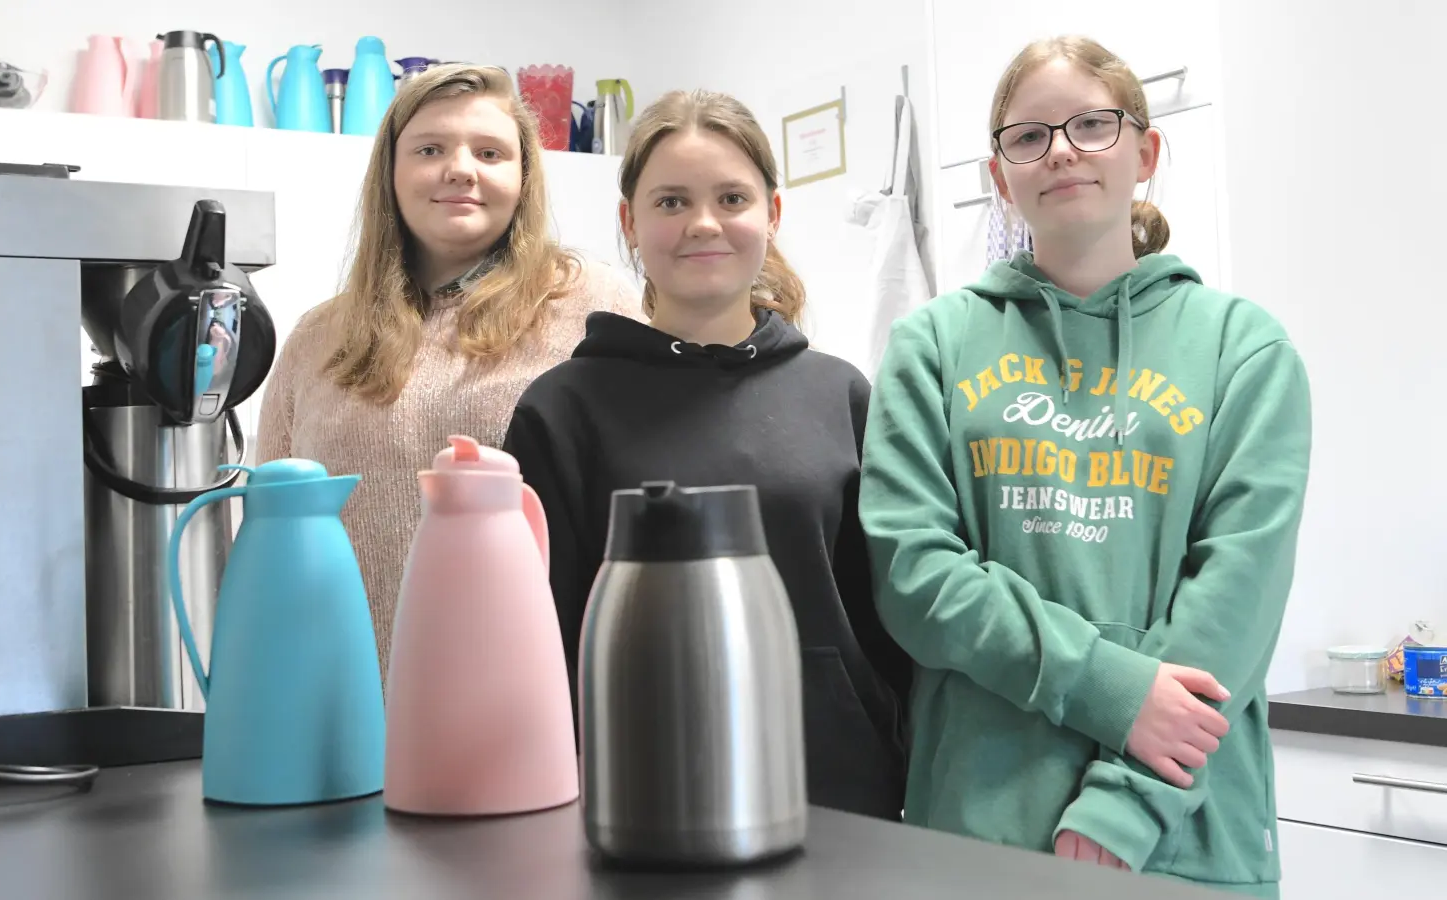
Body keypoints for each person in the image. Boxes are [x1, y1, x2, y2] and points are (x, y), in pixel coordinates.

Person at [859, 35, 1312, 897]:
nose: (1061, 149)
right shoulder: (934, 345)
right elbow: (912, 573)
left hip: (1182, 828)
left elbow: (1238, 597)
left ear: (1145, 152)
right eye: (1028, 137)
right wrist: (1105, 683)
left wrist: (1127, 805)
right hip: (979, 820)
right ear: (1001, 177)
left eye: (1092, 125)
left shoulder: (1242, 348)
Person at [501, 89, 911, 821]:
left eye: (731, 197)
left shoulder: (841, 394)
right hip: (640, 795)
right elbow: (537, 647)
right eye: (670, 202)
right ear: (629, 222)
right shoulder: (561, 411)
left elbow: (883, 618)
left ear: (773, 215)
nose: (703, 224)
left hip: (842, 791)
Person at [254, 63, 639, 682]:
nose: (460, 168)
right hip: (342, 696)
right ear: (392, 173)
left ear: (523, 177)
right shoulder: (318, 338)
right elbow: (265, 528)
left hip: (531, 699)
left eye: (489, 152)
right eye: (430, 149)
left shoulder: (592, 304)